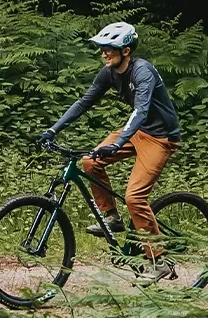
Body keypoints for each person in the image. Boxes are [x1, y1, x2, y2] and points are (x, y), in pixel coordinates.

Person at [38, 21, 181, 268]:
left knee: (135, 198)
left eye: (109, 48)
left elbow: (141, 111)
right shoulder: (109, 72)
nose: (104, 53)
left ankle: (159, 261)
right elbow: (84, 103)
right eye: (102, 48)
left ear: (125, 51)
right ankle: (112, 218)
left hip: (160, 137)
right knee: (90, 161)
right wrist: (53, 129)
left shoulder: (142, 72)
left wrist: (118, 143)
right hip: (137, 132)